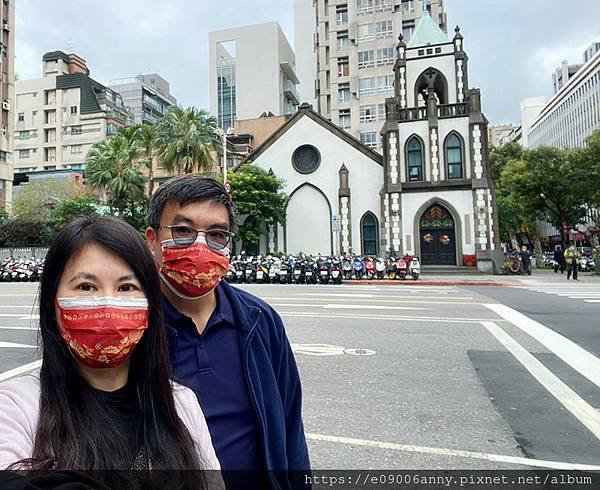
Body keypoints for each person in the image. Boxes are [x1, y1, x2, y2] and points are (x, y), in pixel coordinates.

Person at [0, 216, 221, 489]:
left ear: (150, 305)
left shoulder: (181, 404)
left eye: (126, 288)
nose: (106, 303)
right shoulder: (15, 406)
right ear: (53, 302)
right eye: (86, 287)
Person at [145, 175, 310, 489]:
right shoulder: (133, 330)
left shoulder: (261, 322)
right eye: (182, 231)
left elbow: (290, 429)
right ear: (152, 239)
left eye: (217, 234)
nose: (200, 245)